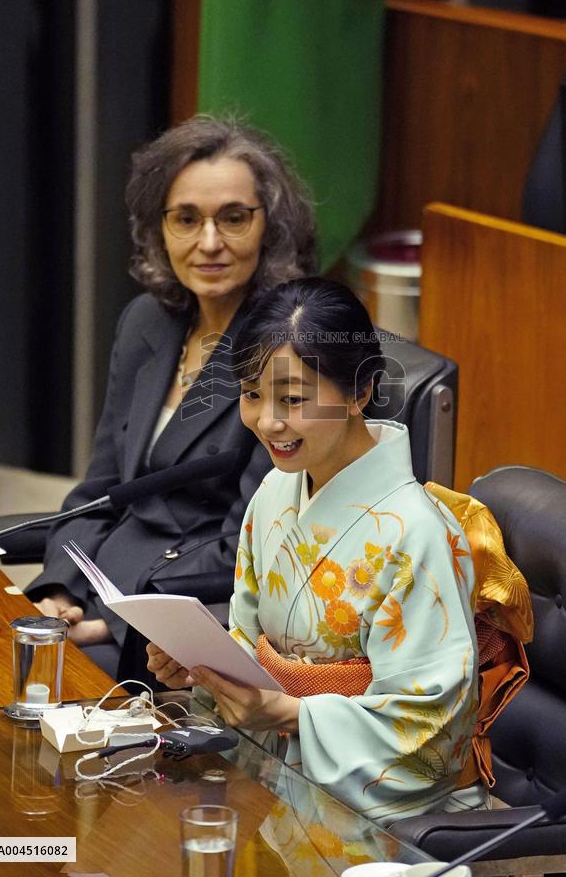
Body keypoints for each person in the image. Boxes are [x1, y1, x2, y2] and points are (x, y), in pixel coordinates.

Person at [148, 278, 490, 822]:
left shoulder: (418, 533)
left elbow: (427, 730)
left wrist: (290, 712)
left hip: (378, 813)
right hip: (274, 766)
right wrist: (205, 670)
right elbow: (247, 633)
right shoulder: (277, 490)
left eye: (292, 399)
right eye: (252, 394)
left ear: (359, 391)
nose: (268, 422)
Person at [26, 116, 317, 679]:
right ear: (159, 228)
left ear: (270, 227)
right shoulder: (148, 322)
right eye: (187, 219)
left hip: (185, 630)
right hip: (101, 593)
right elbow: (100, 489)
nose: (209, 243)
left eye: (233, 218)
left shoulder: (288, 347)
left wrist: (118, 618)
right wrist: (62, 588)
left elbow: (251, 549)